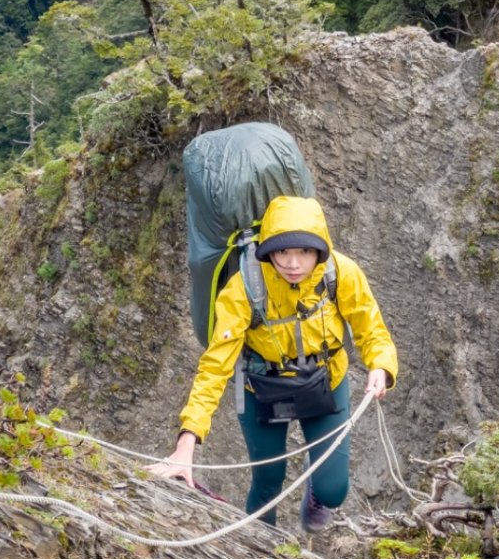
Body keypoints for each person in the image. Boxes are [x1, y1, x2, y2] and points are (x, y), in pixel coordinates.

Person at [148, 195, 398, 532]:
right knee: (268, 479)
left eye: (305, 252)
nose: (293, 263)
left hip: (326, 380)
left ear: (319, 251)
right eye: (283, 252)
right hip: (261, 388)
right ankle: (262, 547)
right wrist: (186, 442)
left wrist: (380, 365)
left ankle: (316, 490)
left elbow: (371, 327)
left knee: (333, 491)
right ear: (269, 251)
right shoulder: (245, 287)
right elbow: (216, 365)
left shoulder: (340, 273)